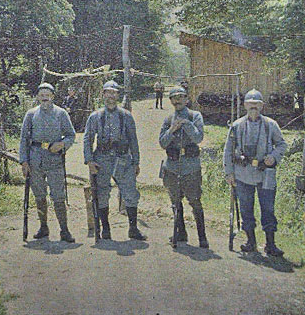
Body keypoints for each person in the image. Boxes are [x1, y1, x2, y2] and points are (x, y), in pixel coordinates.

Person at [223, 89, 287, 256]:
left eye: (257, 104)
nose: (253, 107)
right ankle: (251, 241)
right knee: (246, 209)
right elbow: (228, 150)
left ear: (262, 106)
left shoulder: (270, 125)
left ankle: (270, 244)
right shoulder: (236, 126)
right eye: (250, 104)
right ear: (245, 105)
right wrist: (229, 173)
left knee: (268, 209)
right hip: (243, 174)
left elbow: (281, 145)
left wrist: (273, 157)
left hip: (265, 174)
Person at [83, 80, 146, 241]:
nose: (111, 96)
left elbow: (133, 139)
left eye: (114, 93)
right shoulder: (95, 116)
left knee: (130, 193)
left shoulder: (126, 116)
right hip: (102, 159)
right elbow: (88, 139)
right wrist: (89, 160)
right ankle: (105, 228)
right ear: (103, 94)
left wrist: (136, 161)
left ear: (118, 95)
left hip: (123, 159)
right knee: (102, 193)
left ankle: (133, 228)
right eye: (108, 92)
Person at [19, 83, 76, 242]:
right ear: (37, 97)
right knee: (39, 195)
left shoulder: (61, 113)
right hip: (35, 160)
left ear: (52, 96)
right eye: (41, 94)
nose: (45, 97)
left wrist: (63, 144)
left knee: (58, 195)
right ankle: (43, 227)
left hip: (54, 160)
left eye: (47, 94)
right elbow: (24, 139)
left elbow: (71, 135)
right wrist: (24, 161)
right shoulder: (31, 114)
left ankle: (64, 230)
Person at [159, 86, 209, 248]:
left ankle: (202, 237)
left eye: (181, 97)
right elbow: (162, 142)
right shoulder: (168, 119)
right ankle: (180, 234)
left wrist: (186, 124)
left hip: (190, 167)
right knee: (175, 201)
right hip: (172, 167)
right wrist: (172, 129)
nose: (178, 100)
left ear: (187, 99)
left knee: (195, 201)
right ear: (171, 101)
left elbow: (198, 137)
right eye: (174, 97)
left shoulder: (195, 116)